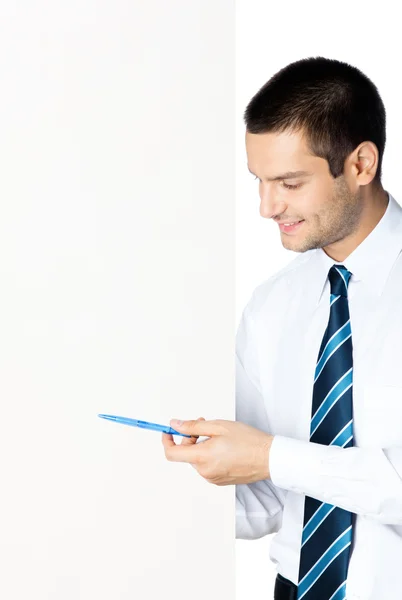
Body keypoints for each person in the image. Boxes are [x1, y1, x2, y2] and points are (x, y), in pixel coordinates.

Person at [162, 56, 402, 600]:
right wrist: (185, 476)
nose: (268, 207)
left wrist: (271, 454)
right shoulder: (272, 305)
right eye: (260, 182)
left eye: (289, 182)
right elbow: (269, 498)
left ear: (361, 164)